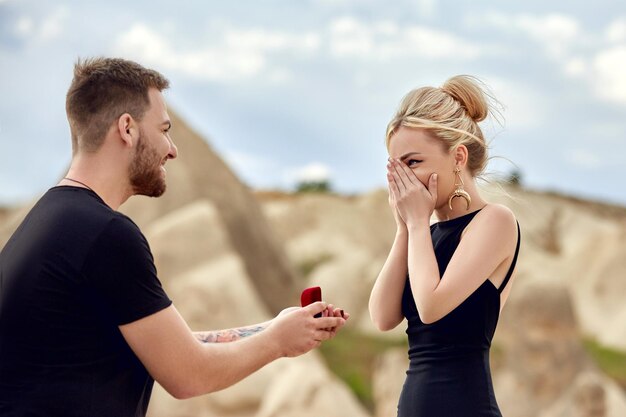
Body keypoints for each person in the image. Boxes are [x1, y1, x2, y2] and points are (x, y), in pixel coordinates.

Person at [0, 57, 348, 417]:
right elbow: (189, 375)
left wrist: (277, 327)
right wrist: (277, 343)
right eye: (164, 129)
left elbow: (172, 348)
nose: (172, 148)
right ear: (127, 129)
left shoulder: (48, 222)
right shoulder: (106, 235)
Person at [368, 75, 520, 417]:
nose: (403, 180)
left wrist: (419, 223)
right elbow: (382, 316)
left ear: (458, 157)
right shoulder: (425, 234)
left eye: (413, 163)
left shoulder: (495, 221)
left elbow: (432, 307)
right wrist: (404, 228)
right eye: (396, 167)